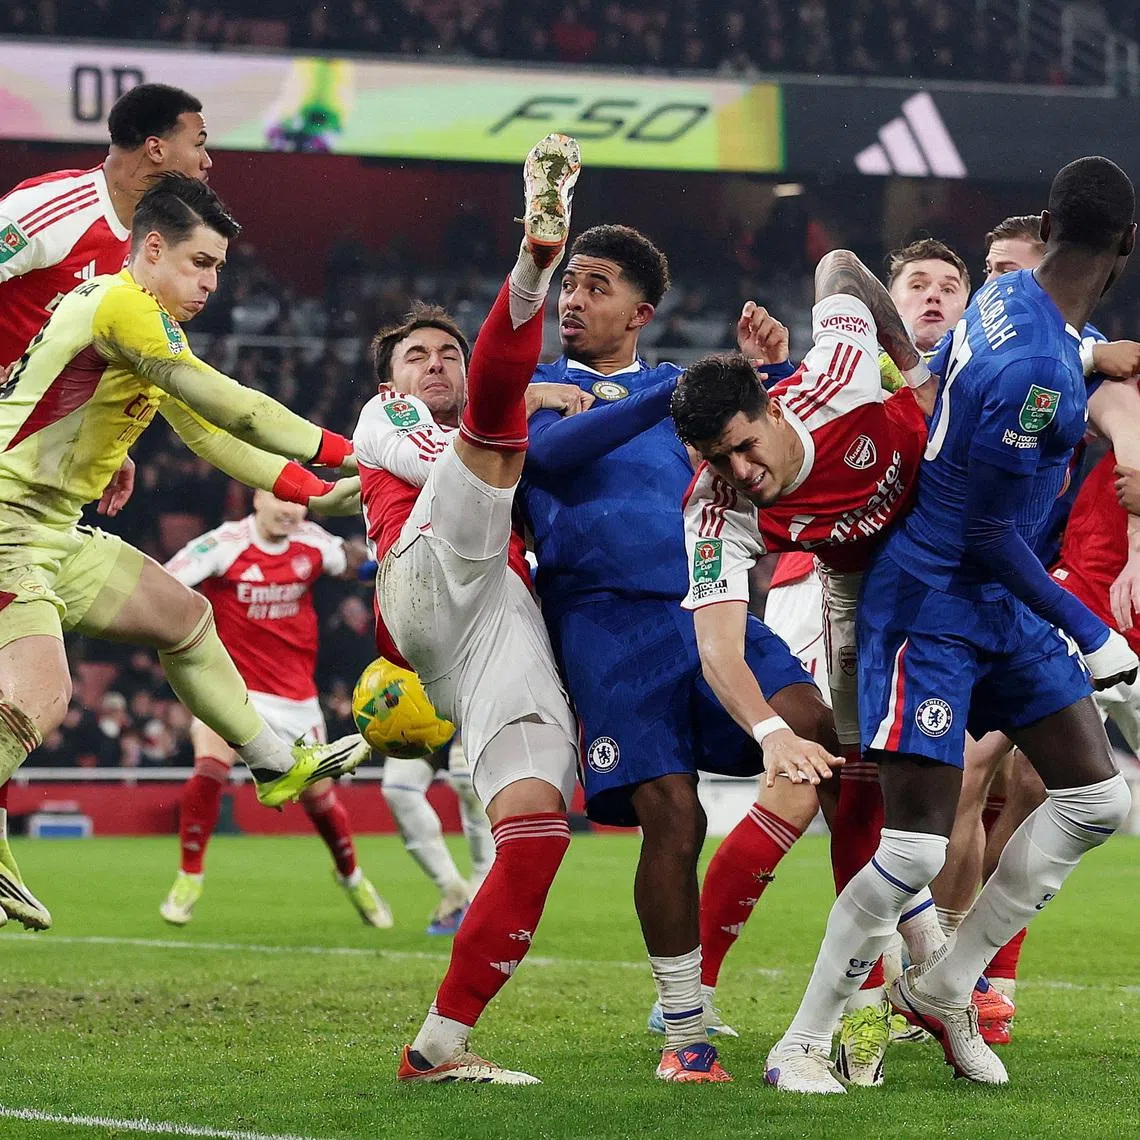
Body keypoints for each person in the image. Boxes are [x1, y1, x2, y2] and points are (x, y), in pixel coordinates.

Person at [767, 156, 1138, 1094]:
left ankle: (943, 986)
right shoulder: (1037, 373)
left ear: (1045, 226)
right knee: (916, 848)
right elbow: (986, 528)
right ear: (1127, 247)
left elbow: (1048, 358)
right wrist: (1088, 631)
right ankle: (802, 1041)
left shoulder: (1012, 301)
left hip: (996, 601)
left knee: (1098, 801)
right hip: (934, 599)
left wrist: (1100, 357)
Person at [0, 173, 368, 931]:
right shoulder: (121, 305)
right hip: (5, 521)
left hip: (52, 527)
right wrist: (345, 448)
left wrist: (314, 491)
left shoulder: (148, 326)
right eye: (200, 264)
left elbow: (212, 438)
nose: (210, 283)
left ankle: (272, 760)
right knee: (43, 696)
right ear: (154, 248)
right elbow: (226, 402)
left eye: (219, 269)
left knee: (187, 619)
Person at [520, 225, 840, 1084]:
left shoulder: (681, 399)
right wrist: (668, 391)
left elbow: (766, 443)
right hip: (603, 624)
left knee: (815, 726)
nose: (573, 300)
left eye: (594, 286)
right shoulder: (533, 388)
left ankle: (887, 963)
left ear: (641, 311)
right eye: (569, 286)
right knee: (673, 813)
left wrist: (761, 374)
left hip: (709, 599)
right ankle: (685, 1031)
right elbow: (546, 457)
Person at [670, 251, 943, 1086]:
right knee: (861, 781)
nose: (742, 474)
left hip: (947, 552)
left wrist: (917, 365)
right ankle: (871, 1006)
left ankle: (942, 975)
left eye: (746, 448)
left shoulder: (844, 368)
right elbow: (718, 644)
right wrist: (769, 731)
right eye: (718, 459)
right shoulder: (715, 507)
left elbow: (835, 266)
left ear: (771, 403)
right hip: (855, 589)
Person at [354, 133, 585, 1084]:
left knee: (536, 830)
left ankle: (438, 1047)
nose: (436, 363)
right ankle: (535, 260)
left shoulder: (490, 433)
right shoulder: (387, 419)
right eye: (419, 355)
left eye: (451, 351)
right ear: (390, 379)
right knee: (488, 438)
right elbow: (459, 448)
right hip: (424, 572)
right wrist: (533, 394)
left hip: (491, 623)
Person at [0, 82, 213, 929]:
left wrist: (106, 451)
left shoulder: (144, 253)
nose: (209, 155)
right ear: (155, 146)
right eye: (199, 138)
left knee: (29, 686)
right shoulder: (52, 208)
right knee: (37, 687)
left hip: (38, 476)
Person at [929, 213, 1140, 1029]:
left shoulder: (1059, 353)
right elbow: (1116, 406)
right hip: (1051, 588)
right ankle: (949, 968)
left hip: (1041, 578)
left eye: (1009, 268)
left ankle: (974, 974)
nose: (1001, 284)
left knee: (1039, 785)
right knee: (980, 770)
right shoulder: (1035, 351)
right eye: (994, 269)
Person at [159, 492, 391, 929]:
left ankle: (352, 876)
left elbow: (357, 564)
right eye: (280, 499)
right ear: (257, 497)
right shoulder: (223, 544)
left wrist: (382, 563)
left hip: (297, 700)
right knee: (209, 768)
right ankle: (189, 877)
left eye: (298, 502)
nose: (290, 510)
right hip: (233, 691)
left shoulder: (311, 541)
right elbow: (168, 581)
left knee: (321, 802)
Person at [380, 732, 495, 936]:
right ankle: (454, 892)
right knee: (399, 788)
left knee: (466, 774)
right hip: (423, 710)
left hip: (475, 706)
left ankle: (483, 896)